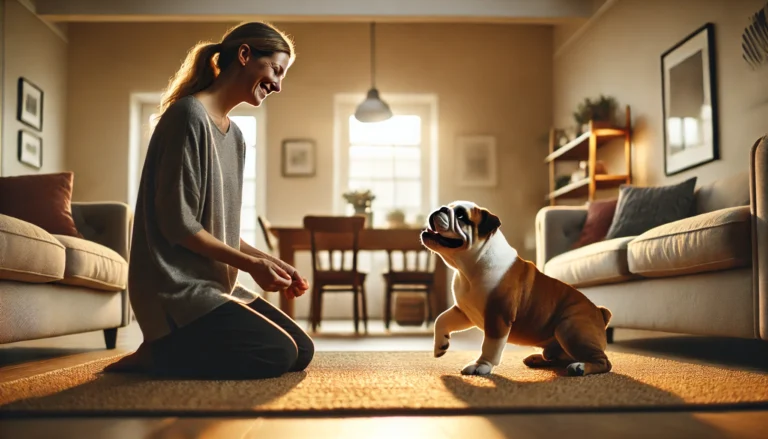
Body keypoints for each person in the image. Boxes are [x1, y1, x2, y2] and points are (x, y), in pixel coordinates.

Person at [105, 22, 313, 379]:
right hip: (174, 288)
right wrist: (251, 266)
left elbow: (223, 230)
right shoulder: (188, 116)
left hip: (214, 285)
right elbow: (180, 227)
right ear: (245, 55)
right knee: (276, 354)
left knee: (301, 352)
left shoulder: (236, 138)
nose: (278, 84)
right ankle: (158, 352)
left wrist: (270, 261)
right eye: (276, 70)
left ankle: (172, 351)